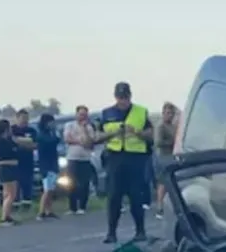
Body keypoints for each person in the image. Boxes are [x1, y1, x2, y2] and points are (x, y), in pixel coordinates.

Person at [98, 81, 153, 243]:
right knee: (114, 196)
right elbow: (97, 136)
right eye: (120, 97)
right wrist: (115, 132)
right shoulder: (107, 113)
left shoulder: (141, 111)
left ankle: (140, 231)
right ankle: (111, 233)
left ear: (130, 96)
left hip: (135, 157)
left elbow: (151, 134)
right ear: (115, 97)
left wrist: (136, 132)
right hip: (115, 157)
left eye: (125, 97)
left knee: (136, 195)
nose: (123, 100)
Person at [63, 105, 97, 215]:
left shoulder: (89, 127)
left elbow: (90, 142)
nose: (83, 117)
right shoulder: (69, 125)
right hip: (72, 158)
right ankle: (72, 207)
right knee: (71, 183)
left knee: (84, 183)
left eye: (85, 115)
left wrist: (84, 129)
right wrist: (80, 141)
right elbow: (67, 139)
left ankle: (82, 206)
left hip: (85, 159)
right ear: (76, 114)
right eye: (81, 114)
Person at [0, 119, 21, 226]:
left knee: (7, 193)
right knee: (11, 194)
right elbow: (2, 158)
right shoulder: (1, 142)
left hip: (7, 168)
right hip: (7, 168)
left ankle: (7, 215)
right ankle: (4, 218)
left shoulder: (3, 141)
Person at [153, 102, 178, 218]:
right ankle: (160, 207)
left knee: (169, 181)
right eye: (168, 113)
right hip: (162, 157)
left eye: (171, 113)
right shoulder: (160, 126)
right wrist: (172, 143)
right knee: (162, 183)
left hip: (170, 157)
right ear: (163, 113)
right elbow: (158, 142)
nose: (170, 115)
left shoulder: (172, 126)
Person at [34, 113, 61, 220]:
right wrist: (55, 134)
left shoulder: (50, 133)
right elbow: (52, 141)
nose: (53, 124)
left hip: (53, 163)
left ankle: (49, 210)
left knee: (51, 188)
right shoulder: (41, 135)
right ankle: (41, 212)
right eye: (51, 122)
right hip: (46, 165)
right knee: (47, 189)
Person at [10, 109, 37, 209]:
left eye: (27, 118)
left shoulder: (32, 130)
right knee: (15, 184)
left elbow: (34, 144)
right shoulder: (12, 130)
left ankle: (27, 204)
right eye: (23, 118)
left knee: (27, 183)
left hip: (28, 161)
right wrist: (27, 142)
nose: (25, 120)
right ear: (17, 118)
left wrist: (18, 141)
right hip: (15, 162)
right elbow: (10, 142)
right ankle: (15, 204)